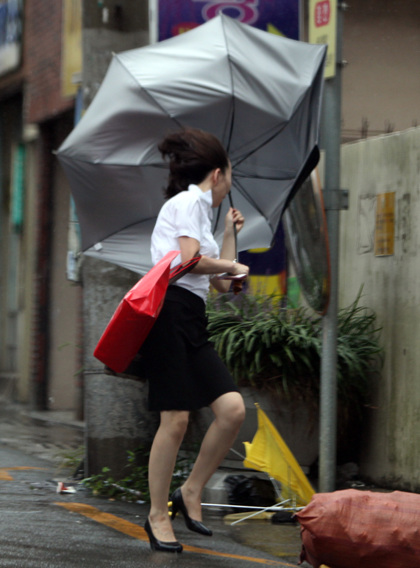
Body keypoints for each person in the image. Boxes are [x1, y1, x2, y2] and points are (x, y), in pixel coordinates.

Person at [142, 128, 249, 553]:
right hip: (168, 314)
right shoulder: (188, 201)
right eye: (230, 179)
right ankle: (155, 516)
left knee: (232, 409)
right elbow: (188, 263)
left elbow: (219, 286)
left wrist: (228, 235)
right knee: (176, 419)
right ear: (218, 174)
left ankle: (190, 490)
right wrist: (234, 267)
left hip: (191, 317)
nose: (229, 187)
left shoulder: (202, 213)